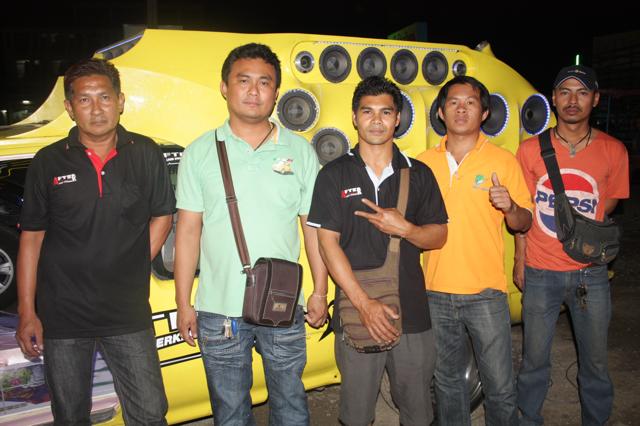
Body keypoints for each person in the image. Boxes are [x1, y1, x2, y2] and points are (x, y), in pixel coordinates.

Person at [174, 43, 328, 426]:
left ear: (276, 92)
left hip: (283, 304)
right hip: (218, 311)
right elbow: (188, 232)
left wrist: (320, 291)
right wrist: (183, 302)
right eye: (243, 81)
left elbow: (313, 230)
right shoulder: (199, 152)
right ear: (225, 87)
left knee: (291, 408)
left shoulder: (300, 152)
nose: (254, 91)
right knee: (230, 414)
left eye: (264, 82)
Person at [16, 58, 174, 424]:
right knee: (70, 415)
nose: (97, 108)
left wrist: (134, 263)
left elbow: (163, 216)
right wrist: (27, 311)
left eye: (104, 97)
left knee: (150, 412)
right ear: (70, 108)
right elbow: (31, 238)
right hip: (63, 313)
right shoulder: (48, 161)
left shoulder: (146, 153)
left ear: (120, 101)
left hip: (127, 311)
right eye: (84, 100)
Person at [307, 76, 448, 425]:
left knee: (417, 411)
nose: (376, 120)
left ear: (397, 118)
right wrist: (364, 304)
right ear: (354, 117)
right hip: (356, 314)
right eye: (367, 111)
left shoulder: (419, 173)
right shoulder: (333, 175)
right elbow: (327, 243)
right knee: (356, 415)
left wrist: (407, 229)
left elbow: (439, 236)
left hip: (412, 315)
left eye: (385, 112)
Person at [515, 65, 629, 426]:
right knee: (533, 360)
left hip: (590, 273)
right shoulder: (529, 150)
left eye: (582, 92)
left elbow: (608, 203)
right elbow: (523, 211)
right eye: (564, 92)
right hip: (540, 270)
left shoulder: (614, 150)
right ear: (553, 99)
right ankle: (528, 418)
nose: (572, 100)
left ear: (595, 99)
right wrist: (520, 259)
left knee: (594, 362)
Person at [417, 75, 532, 425]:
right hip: (434, 290)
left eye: (470, 102)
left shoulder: (503, 161)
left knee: (500, 385)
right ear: (441, 112)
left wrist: (511, 206)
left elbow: (523, 222)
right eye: (453, 102)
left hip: (486, 292)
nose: (461, 109)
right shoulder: (422, 163)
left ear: (484, 113)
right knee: (447, 383)